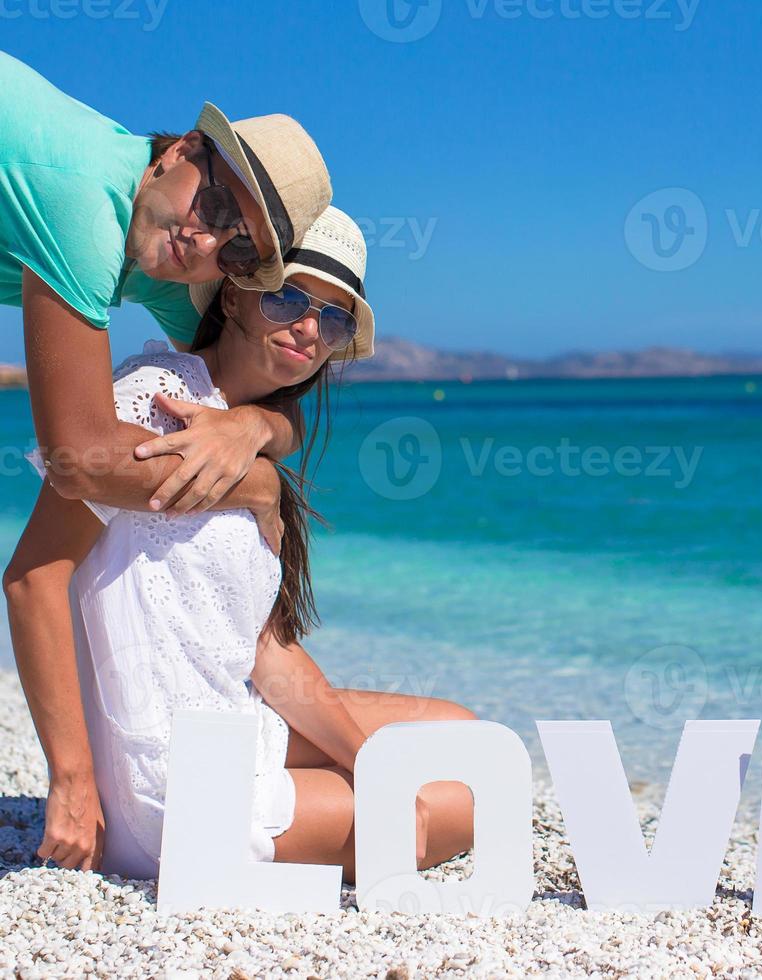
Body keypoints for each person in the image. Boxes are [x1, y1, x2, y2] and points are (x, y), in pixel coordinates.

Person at [5, 208, 476, 882]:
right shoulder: (152, 403)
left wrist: (366, 765)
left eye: (333, 319)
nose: (309, 329)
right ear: (234, 292)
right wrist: (72, 784)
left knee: (459, 733)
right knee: (455, 806)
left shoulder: (242, 433)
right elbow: (32, 576)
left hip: (231, 726)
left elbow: (264, 650)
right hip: (167, 784)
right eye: (290, 296)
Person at [0, 50, 331, 873]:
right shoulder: (83, 194)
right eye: (217, 202)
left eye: (239, 249)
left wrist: (250, 431)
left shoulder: (162, 258)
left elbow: (261, 388)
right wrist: (255, 486)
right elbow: (80, 458)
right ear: (182, 150)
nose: (205, 238)